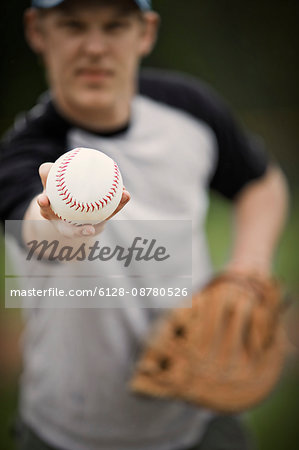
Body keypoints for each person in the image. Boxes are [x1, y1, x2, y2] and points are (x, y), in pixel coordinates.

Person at [0, 0, 288, 449]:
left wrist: (247, 272)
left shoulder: (190, 110)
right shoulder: (24, 153)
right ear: (38, 31)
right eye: (73, 25)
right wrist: (65, 222)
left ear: (146, 32)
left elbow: (262, 186)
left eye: (115, 26)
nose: (95, 47)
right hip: (68, 434)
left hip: (201, 421)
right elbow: (37, 231)